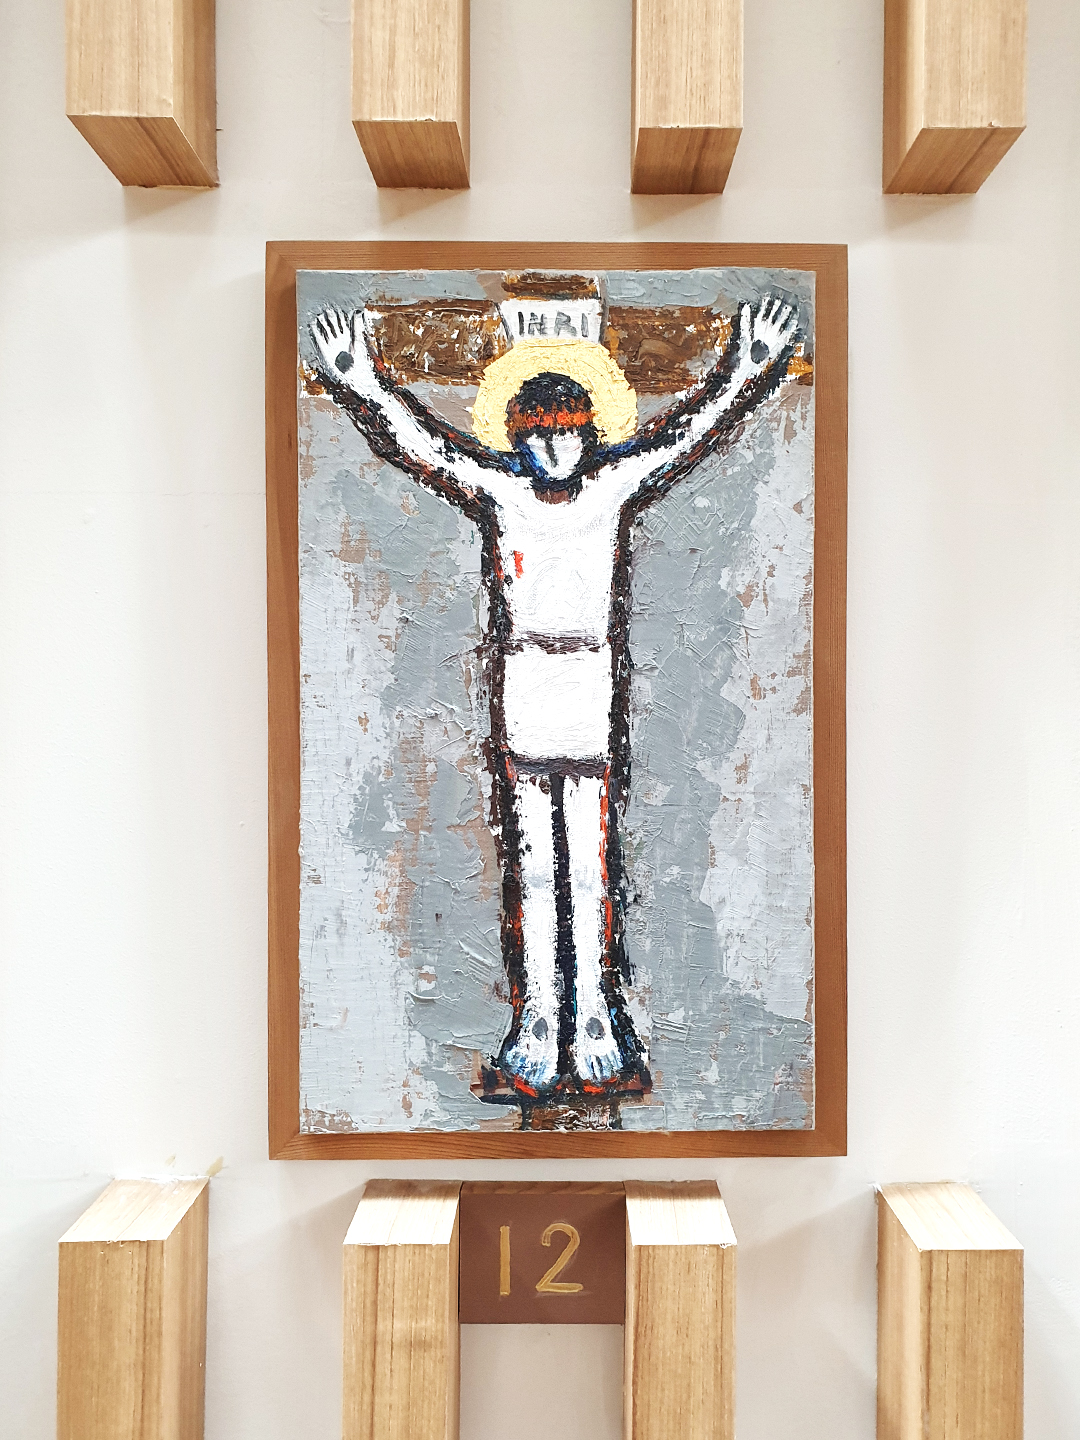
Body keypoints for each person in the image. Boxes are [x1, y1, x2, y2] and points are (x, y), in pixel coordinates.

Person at [310, 291, 799, 1103]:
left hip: (588, 689)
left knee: (590, 869)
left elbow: (684, 439)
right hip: (528, 687)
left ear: (587, 432)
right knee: (535, 868)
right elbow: (425, 446)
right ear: (519, 437)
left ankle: (596, 1021)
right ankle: (538, 1026)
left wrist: (745, 371)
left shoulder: (610, 488)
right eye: (538, 433)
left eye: (567, 430)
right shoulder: (503, 494)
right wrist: (361, 381)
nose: (554, 446)